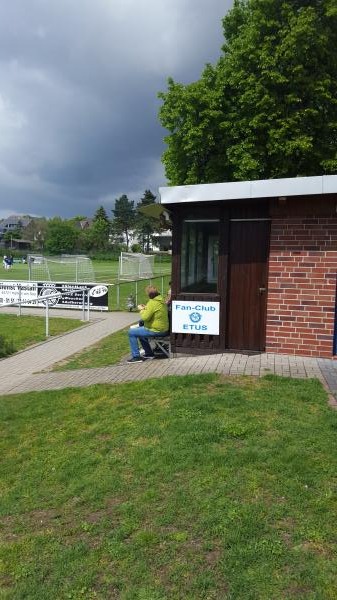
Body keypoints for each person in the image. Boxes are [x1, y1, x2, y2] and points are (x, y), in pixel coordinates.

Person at [127, 285, 169, 363]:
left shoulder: (152, 302)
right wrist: (146, 307)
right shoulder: (161, 300)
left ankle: (136, 357)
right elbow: (154, 311)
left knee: (131, 332)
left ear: (149, 295)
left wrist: (141, 309)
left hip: (156, 330)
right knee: (139, 331)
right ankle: (149, 353)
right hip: (164, 329)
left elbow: (145, 318)